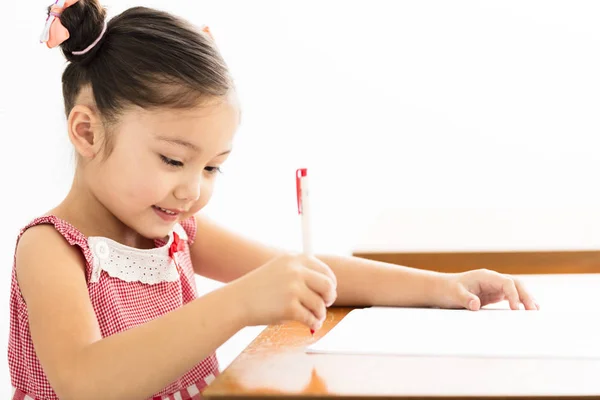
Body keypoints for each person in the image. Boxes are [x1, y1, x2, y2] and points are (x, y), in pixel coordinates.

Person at [9, 1, 539, 399]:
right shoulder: (52, 247)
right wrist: (239, 304)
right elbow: (86, 381)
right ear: (86, 132)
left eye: (213, 167)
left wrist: (446, 287)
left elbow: (309, 272)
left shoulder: (175, 233)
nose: (193, 191)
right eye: (173, 160)